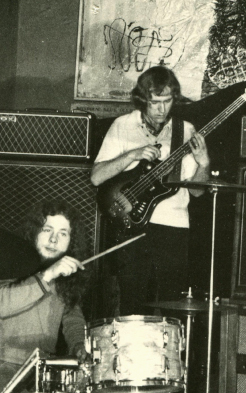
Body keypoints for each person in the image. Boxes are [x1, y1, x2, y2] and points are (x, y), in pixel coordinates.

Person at [90, 66, 211, 316]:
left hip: (174, 227)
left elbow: (197, 192)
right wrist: (131, 155)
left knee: (173, 304)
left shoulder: (185, 130)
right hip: (131, 224)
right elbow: (97, 177)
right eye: (155, 102)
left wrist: (204, 163)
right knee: (131, 303)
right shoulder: (122, 125)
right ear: (143, 99)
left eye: (167, 102)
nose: (161, 109)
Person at [0, 199, 90, 392]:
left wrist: (79, 346)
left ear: (71, 241)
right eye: (47, 230)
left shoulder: (64, 272)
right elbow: (3, 304)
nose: (54, 240)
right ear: (34, 231)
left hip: (41, 368)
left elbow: (72, 317)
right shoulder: (8, 259)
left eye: (63, 233)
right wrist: (47, 275)